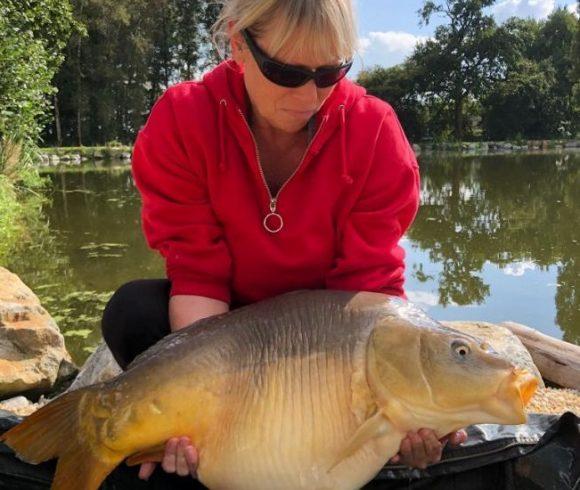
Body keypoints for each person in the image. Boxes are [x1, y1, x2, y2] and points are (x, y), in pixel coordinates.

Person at [101, 0, 467, 483]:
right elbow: (197, 273)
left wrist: (406, 410)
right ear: (237, 43)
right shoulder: (184, 118)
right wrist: (207, 407)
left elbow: (369, 293)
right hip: (225, 320)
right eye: (286, 72)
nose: (309, 96)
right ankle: (194, 444)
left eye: (330, 71)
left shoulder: (374, 131)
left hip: (327, 343)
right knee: (133, 312)